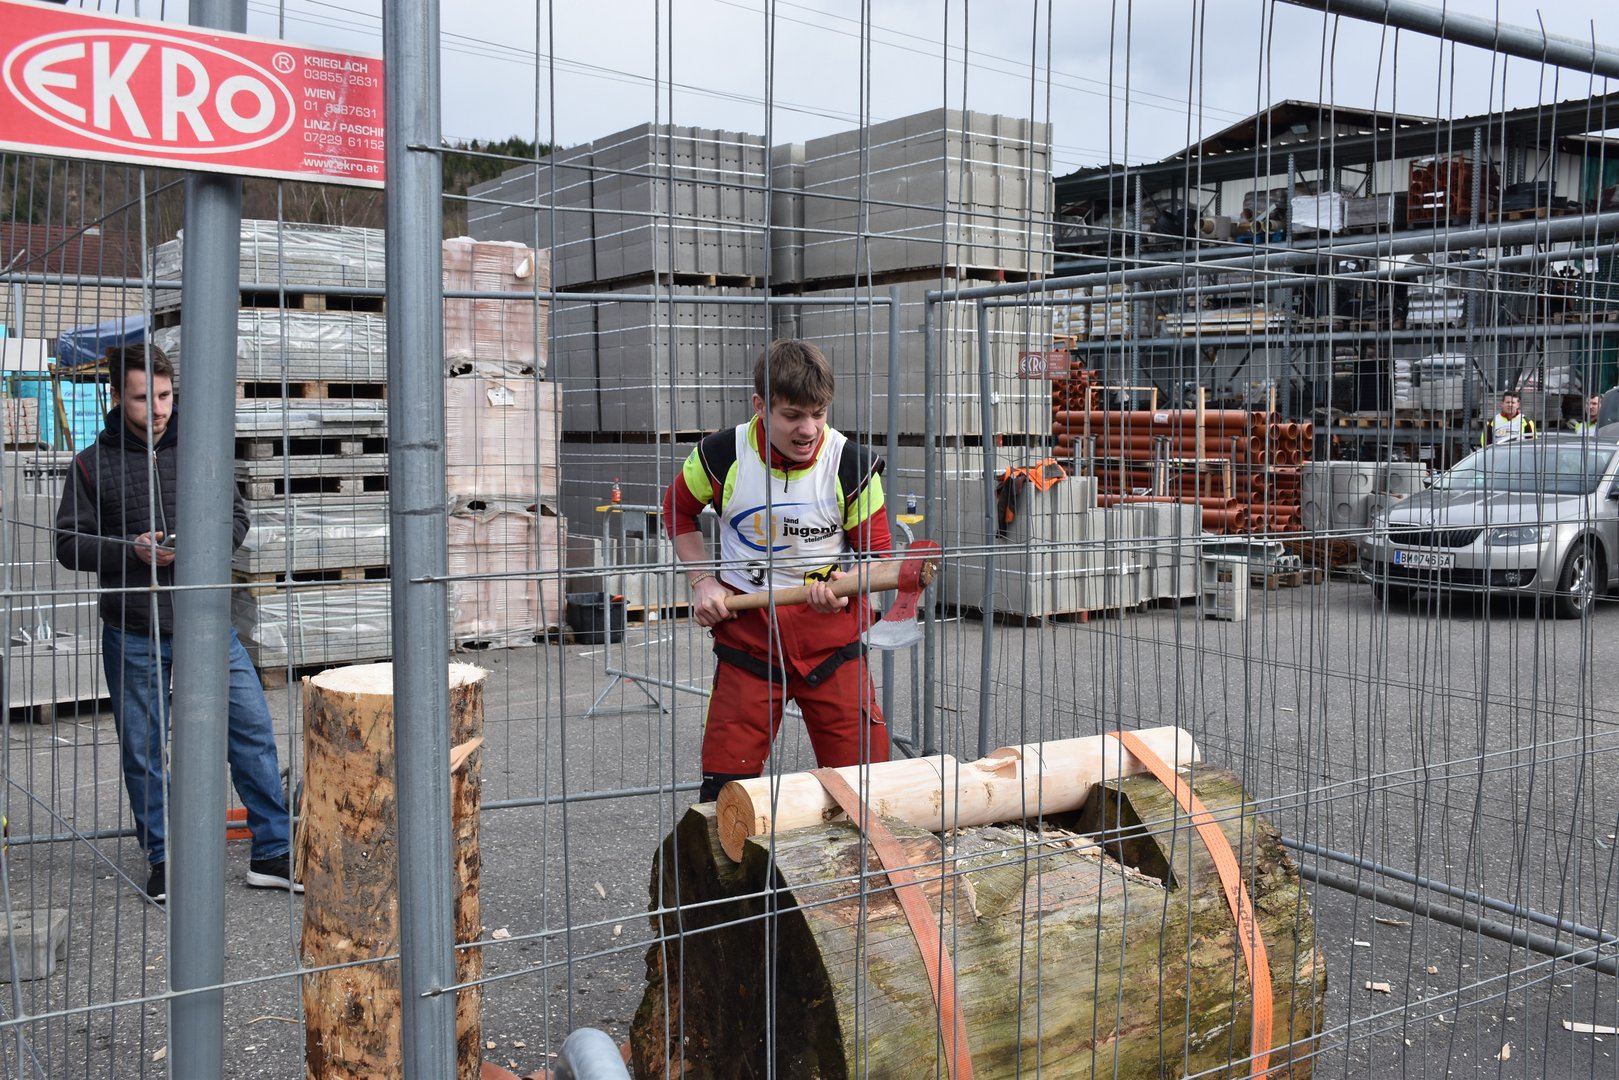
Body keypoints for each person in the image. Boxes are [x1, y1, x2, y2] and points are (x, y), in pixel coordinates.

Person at [55, 344, 298, 903]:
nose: (159, 409)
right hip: (133, 628)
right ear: (117, 397)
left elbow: (235, 518)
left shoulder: (202, 450)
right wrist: (131, 549)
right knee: (144, 751)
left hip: (206, 622)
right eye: (145, 398)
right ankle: (166, 859)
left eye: (165, 396)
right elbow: (68, 544)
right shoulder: (90, 464)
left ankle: (273, 851)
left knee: (252, 730)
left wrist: (199, 547)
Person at [663, 340, 894, 802]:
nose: (808, 429)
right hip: (748, 639)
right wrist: (702, 581)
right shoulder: (719, 456)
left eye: (819, 413)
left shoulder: (851, 464)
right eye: (792, 416)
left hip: (832, 643)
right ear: (760, 406)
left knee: (869, 785)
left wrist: (847, 588)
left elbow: (880, 558)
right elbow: (676, 511)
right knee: (725, 792)